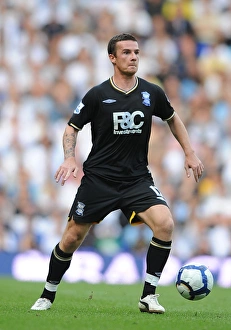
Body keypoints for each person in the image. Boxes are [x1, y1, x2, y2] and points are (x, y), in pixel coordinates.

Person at [30, 33, 204, 313]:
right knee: (72, 238)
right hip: (99, 180)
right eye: (126, 52)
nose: (133, 56)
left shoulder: (152, 93)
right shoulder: (98, 94)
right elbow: (72, 126)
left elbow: (173, 118)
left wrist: (190, 152)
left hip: (136, 179)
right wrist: (69, 157)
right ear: (112, 58)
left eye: (136, 52)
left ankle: (149, 296)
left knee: (165, 224)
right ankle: (47, 294)